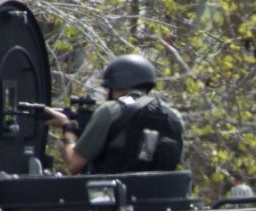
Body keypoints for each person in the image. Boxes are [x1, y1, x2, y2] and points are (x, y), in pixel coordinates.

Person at [45, 54, 184, 175]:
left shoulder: (109, 111)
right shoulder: (173, 116)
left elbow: (74, 164)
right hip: (158, 198)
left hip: (113, 199)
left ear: (117, 83)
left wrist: (67, 127)